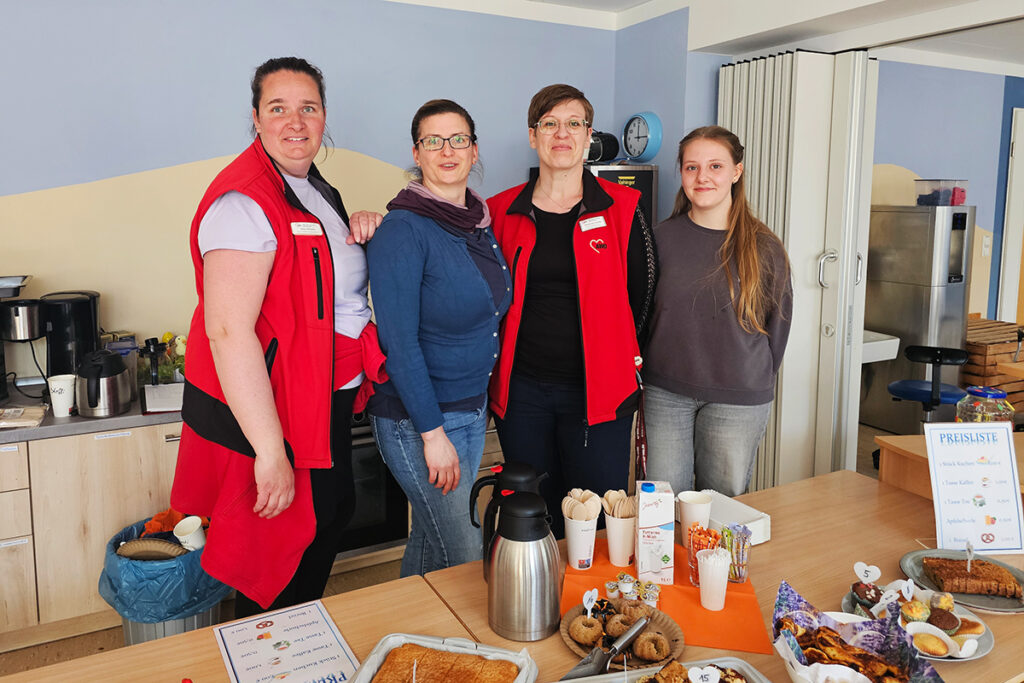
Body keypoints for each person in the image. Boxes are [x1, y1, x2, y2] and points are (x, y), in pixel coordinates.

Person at [170, 57, 385, 616]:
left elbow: (327, 283)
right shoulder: (244, 200)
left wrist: (363, 225)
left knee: (329, 516)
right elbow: (226, 329)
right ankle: (269, 659)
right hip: (280, 409)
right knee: (280, 548)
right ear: (256, 118)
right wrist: (269, 451)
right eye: (279, 108)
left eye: (308, 108)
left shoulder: (311, 187)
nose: (296, 121)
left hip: (326, 397)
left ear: (323, 116)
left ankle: (293, 653)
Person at [488, 84, 658, 538]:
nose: (561, 134)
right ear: (532, 136)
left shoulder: (623, 208)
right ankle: (537, 604)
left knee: (596, 517)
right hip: (522, 394)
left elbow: (643, 297)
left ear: (587, 137)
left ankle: (590, 610)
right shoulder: (500, 211)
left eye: (574, 124)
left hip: (600, 395)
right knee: (531, 514)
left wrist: (617, 358)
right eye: (549, 124)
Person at [366, 100, 512, 576]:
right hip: (420, 422)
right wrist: (433, 436)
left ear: (473, 151)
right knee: (465, 559)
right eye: (433, 140)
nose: (446, 150)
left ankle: (410, 643)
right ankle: (460, 649)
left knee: (431, 546)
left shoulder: (478, 224)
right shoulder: (403, 230)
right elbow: (400, 343)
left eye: (458, 140)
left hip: (470, 410)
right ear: (417, 152)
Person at [643, 125, 792, 496]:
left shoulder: (764, 247)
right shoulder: (658, 239)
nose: (702, 177)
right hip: (664, 393)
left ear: (736, 172)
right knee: (662, 508)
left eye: (715, 166)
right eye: (691, 167)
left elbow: (778, 326)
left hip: (736, 398)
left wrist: (743, 373)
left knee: (721, 511)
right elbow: (641, 316)